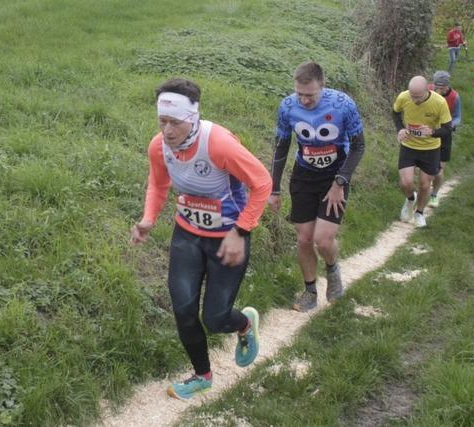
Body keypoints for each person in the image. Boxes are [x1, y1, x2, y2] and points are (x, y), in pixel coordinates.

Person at [130, 78, 272, 399]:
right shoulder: (159, 146)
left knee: (215, 317)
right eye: (161, 122)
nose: (167, 131)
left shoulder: (219, 144)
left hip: (228, 239)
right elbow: (158, 184)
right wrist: (148, 220)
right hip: (187, 236)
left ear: (192, 119)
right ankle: (201, 375)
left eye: (174, 123)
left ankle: (243, 325)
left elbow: (261, 182)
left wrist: (241, 231)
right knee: (183, 310)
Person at [269, 61, 365, 312]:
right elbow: (281, 147)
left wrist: (340, 182)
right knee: (303, 239)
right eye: (300, 94)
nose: (304, 100)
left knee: (323, 241)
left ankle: (332, 270)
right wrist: (274, 189)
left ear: (322, 86)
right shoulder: (288, 106)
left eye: (310, 95)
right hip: (304, 176)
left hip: (335, 176)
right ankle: (309, 291)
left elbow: (358, 146)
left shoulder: (343, 104)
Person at [393, 76, 452, 227]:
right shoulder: (403, 97)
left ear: (427, 90)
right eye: (412, 96)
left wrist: (432, 132)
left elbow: (447, 129)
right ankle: (410, 199)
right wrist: (400, 129)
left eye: (418, 97)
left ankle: (419, 213)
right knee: (406, 182)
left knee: (425, 185)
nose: (414, 100)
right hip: (409, 146)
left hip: (430, 149)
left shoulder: (439, 102)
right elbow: (395, 112)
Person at [427, 70, 461, 208]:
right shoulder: (427, 89)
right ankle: (423, 191)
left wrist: (451, 124)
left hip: (445, 134)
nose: (438, 90)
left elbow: (458, 116)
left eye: (442, 87)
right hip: (428, 132)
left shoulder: (455, 97)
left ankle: (434, 195)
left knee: (439, 170)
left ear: (448, 86)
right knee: (425, 167)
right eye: (436, 86)